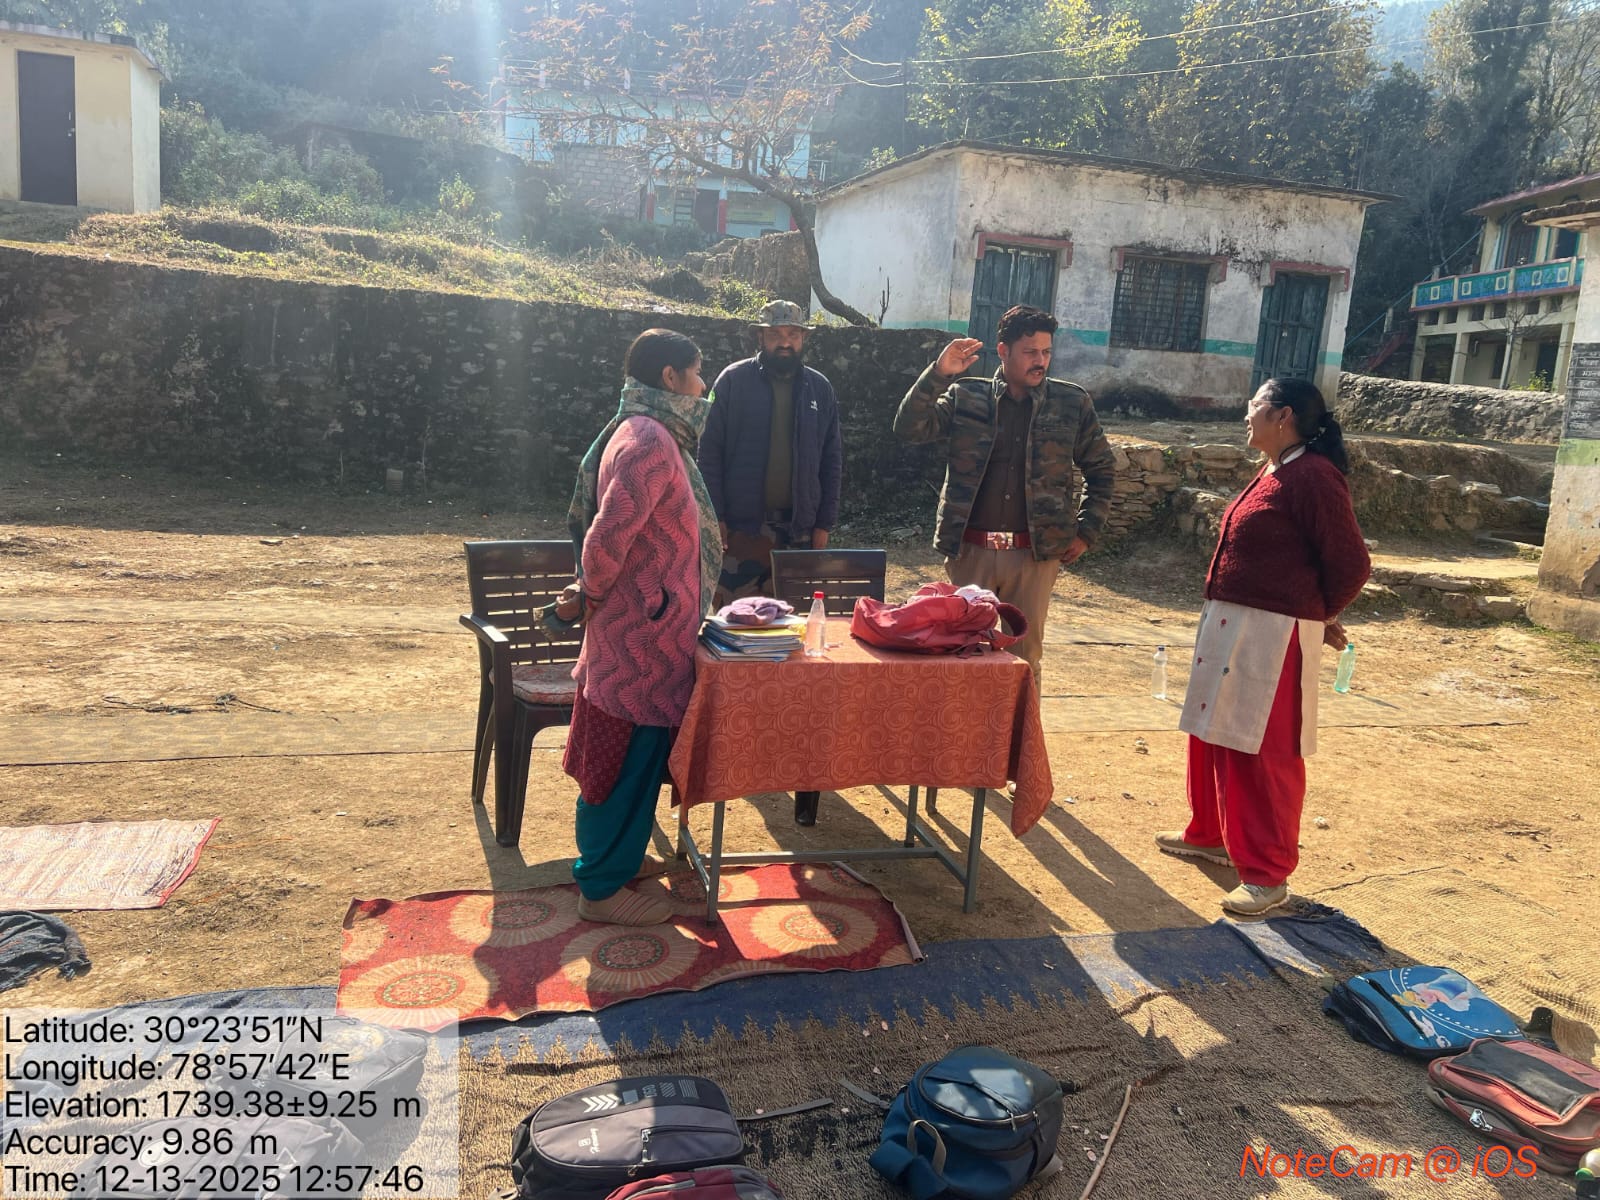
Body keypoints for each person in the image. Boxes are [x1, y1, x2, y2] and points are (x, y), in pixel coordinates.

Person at [1155, 377, 1371, 917]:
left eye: (1254, 405)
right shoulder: (1275, 469)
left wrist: (1319, 613)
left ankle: (1268, 874)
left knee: (1263, 751)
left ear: (1283, 416)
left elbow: (1351, 564)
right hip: (1234, 625)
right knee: (1212, 733)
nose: (1246, 413)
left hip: (1272, 638)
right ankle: (1212, 834)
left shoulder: (1315, 477)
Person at [555, 329, 721, 926]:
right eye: (697, 373)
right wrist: (591, 592)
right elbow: (608, 535)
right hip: (639, 643)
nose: (703, 387)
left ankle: (616, 865)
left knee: (635, 758)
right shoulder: (650, 439)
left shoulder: (644, 431)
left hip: (648, 633)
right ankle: (601, 889)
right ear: (670, 377)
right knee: (619, 764)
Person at [894, 304, 1116, 692]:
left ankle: (1019, 734)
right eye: (1030, 352)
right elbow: (910, 429)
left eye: (1046, 352)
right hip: (971, 553)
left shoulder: (1071, 403)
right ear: (1003, 351)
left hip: (1034, 557)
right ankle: (964, 732)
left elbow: (1102, 468)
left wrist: (1086, 531)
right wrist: (939, 373)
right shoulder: (967, 396)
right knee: (962, 656)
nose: (1040, 361)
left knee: (1024, 662)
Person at [698, 297, 843, 826]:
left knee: (797, 647)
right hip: (742, 532)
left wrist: (823, 525)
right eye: (777, 333)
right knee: (737, 641)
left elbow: (832, 459)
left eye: (794, 334)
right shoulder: (732, 382)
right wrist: (715, 517)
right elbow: (709, 453)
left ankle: (790, 747)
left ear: (804, 338)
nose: (786, 341)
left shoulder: (819, 389)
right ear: (760, 336)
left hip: (798, 534)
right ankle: (737, 745)